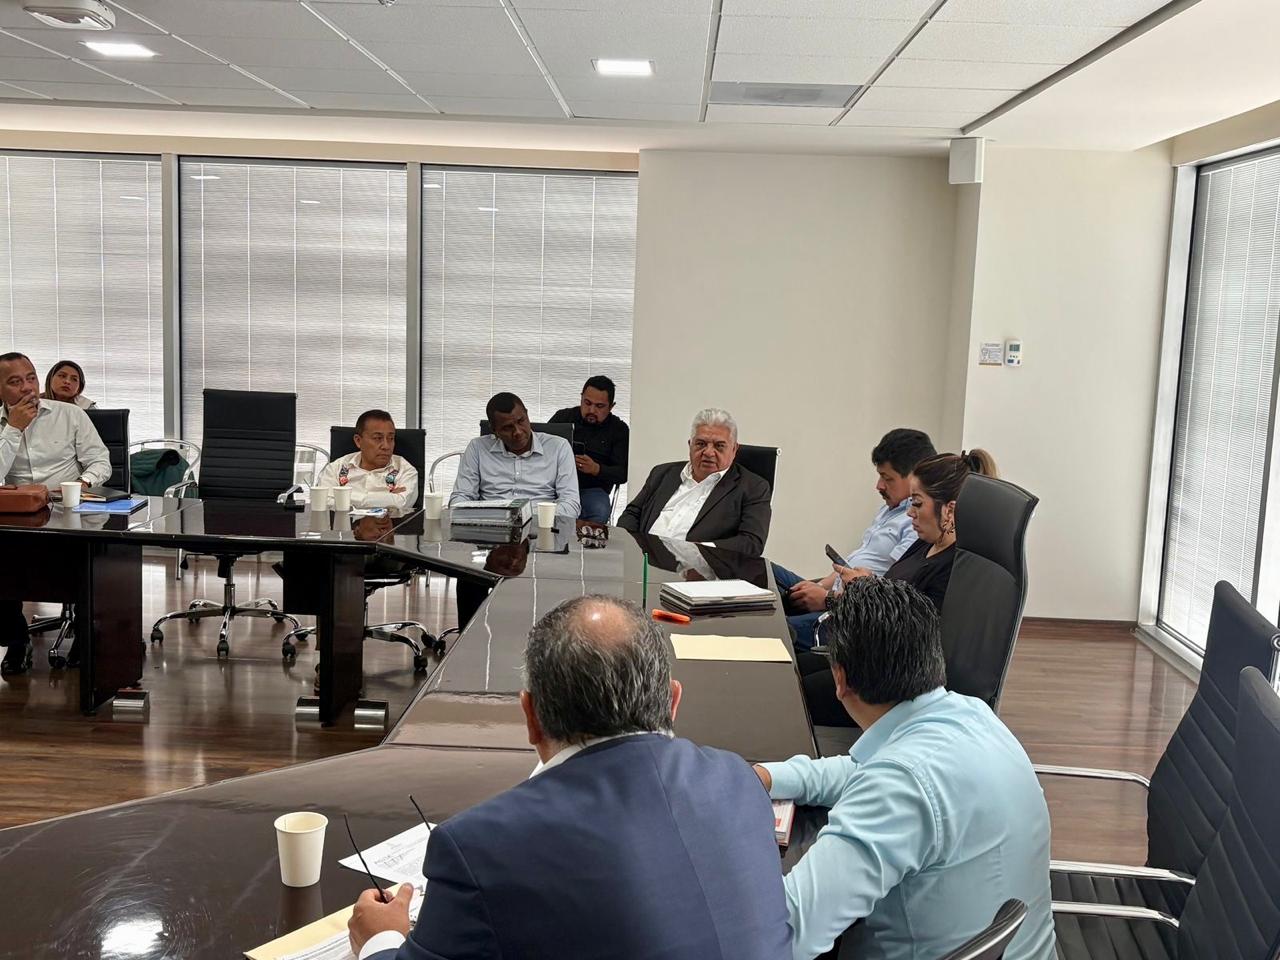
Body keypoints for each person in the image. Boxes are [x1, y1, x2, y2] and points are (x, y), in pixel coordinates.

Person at [348, 595, 793, 960]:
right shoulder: (741, 782)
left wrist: (379, 939)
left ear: (530, 716)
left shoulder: (479, 847)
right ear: (673, 701)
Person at [755, 577, 1054, 960]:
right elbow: (863, 771)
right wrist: (768, 777)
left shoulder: (899, 784)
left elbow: (785, 933)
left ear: (840, 679)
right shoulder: (973, 716)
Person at [800, 450, 999, 725]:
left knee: (796, 693)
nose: (909, 512)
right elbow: (897, 595)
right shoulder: (926, 543)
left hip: (892, 682)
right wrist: (867, 587)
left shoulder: (954, 569)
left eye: (917, 503)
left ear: (949, 510)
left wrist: (864, 589)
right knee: (793, 667)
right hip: (872, 655)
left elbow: (914, 636)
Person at [774, 428, 936, 651]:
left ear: (915, 478)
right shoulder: (890, 510)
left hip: (854, 615)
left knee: (773, 631)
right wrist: (818, 587)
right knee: (765, 571)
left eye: (887, 478)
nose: (879, 485)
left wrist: (827, 598)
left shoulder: (916, 525)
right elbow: (852, 565)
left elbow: (888, 595)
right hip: (836, 594)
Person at [0, 351, 111, 676]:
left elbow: (101, 461)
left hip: (69, 512)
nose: (27, 388)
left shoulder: (70, 415)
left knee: (87, 561)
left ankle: (86, 634)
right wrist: (13, 429)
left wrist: (81, 483)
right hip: (17, 516)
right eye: (15, 382)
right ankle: (16, 641)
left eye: (31, 378)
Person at [618, 408, 771, 556]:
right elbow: (632, 513)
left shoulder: (753, 487)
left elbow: (752, 543)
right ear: (690, 445)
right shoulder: (662, 473)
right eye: (701, 444)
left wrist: (700, 552)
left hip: (701, 568)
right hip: (644, 561)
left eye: (719, 446)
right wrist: (633, 547)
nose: (708, 452)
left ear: (734, 449)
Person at [450, 392, 580, 521]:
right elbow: (459, 500)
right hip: (491, 525)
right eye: (507, 428)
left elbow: (571, 505)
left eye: (521, 421)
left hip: (541, 525)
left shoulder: (558, 447)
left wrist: (523, 516)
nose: (517, 432)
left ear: (527, 415)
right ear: (495, 430)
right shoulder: (477, 448)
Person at [549, 375, 629, 524]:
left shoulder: (619, 430)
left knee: (599, 510)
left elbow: (622, 473)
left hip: (591, 489)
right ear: (581, 398)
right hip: (554, 486)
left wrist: (596, 469)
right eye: (587, 403)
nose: (591, 410)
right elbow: (542, 450)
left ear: (611, 406)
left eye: (599, 406)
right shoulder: (563, 417)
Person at [315, 409, 419, 510]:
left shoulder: (405, 470)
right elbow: (322, 500)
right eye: (378, 438)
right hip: (344, 522)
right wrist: (387, 498)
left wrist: (341, 497)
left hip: (388, 522)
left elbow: (401, 503)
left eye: (391, 438)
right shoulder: (336, 468)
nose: (386, 446)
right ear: (358, 441)